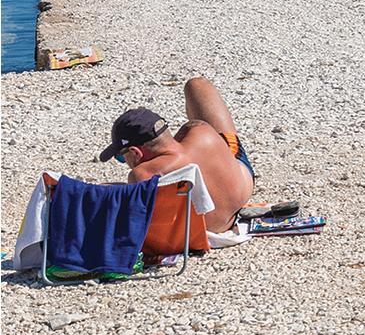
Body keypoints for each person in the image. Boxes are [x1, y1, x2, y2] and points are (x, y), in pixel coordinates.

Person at [99, 77, 255, 231]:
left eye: (121, 157)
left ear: (135, 152)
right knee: (197, 85)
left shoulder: (142, 174)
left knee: (107, 191)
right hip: (242, 186)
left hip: (208, 227)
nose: (124, 161)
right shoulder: (201, 130)